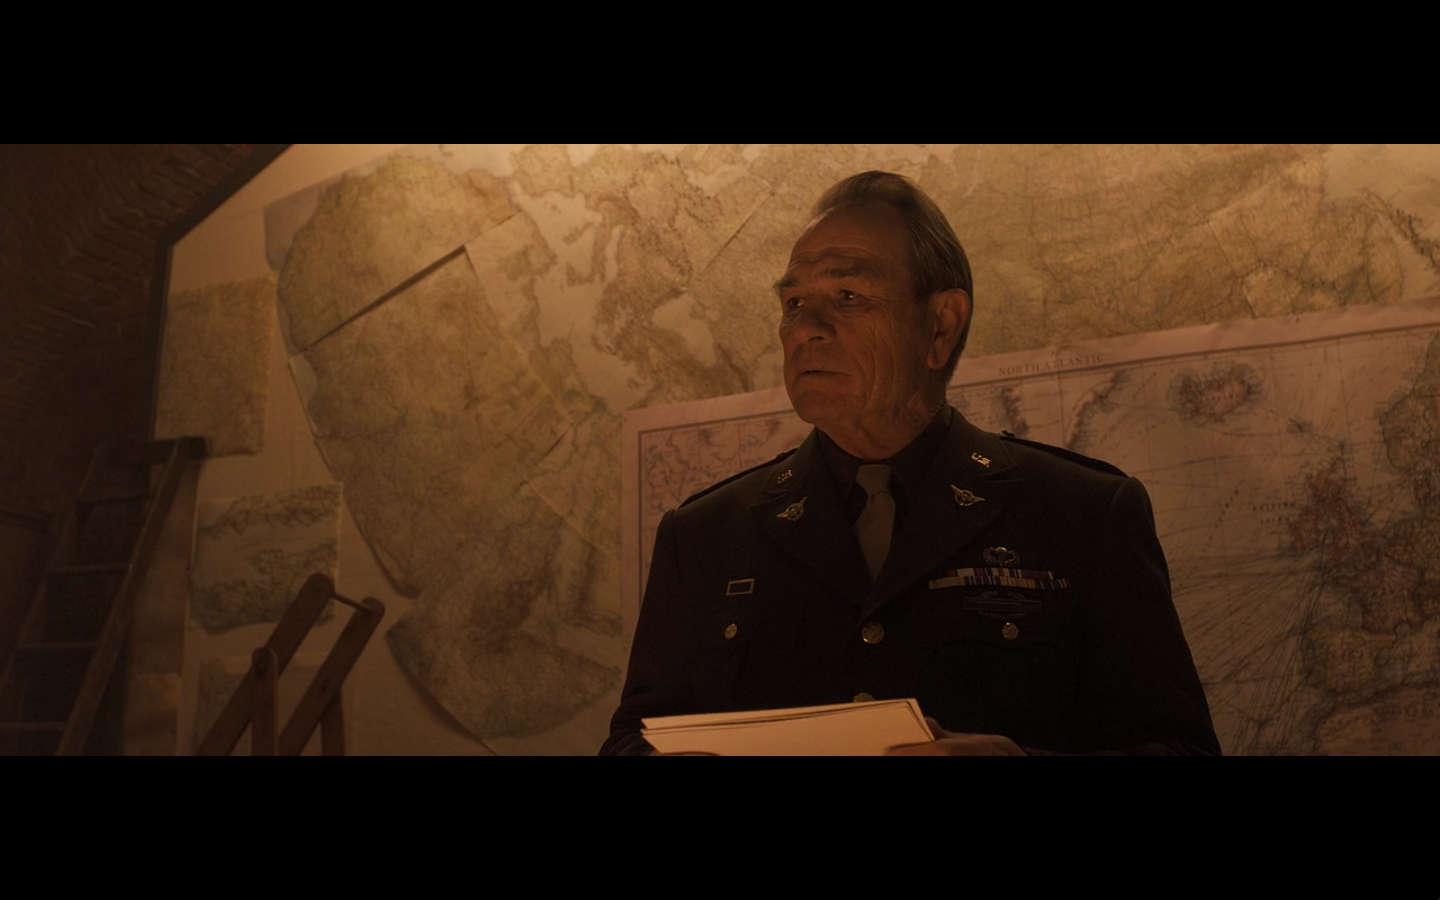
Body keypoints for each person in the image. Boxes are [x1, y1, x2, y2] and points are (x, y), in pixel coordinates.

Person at [602, 171, 1219, 756]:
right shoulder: (703, 536)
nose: (805, 329)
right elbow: (632, 740)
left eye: (847, 295)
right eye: (793, 302)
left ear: (941, 326)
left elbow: (1180, 747)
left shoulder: (1084, 514)